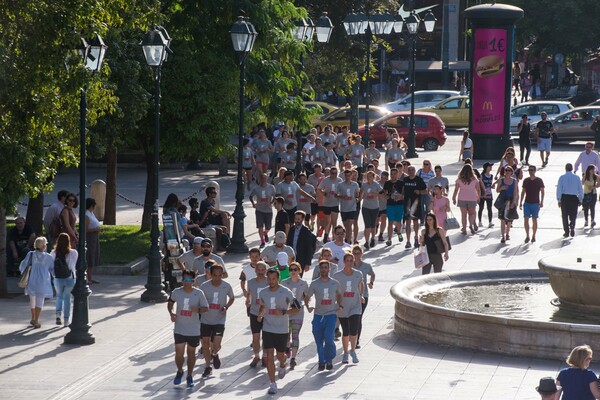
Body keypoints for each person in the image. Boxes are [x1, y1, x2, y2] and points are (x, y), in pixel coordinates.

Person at [257, 268, 297, 395]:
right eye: (269, 279)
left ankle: (283, 363)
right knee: (269, 355)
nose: (271, 281)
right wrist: (261, 314)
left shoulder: (286, 292)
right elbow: (263, 306)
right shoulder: (263, 292)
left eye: (273, 278)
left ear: (278, 278)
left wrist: (284, 312)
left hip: (282, 329)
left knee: (280, 355)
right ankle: (272, 384)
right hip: (268, 328)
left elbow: (297, 309)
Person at [167, 269, 208, 387]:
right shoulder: (176, 292)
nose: (186, 282)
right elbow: (170, 303)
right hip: (179, 328)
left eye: (189, 280)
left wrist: (198, 310)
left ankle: (190, 375)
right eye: (184, 279)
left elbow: (206, 308)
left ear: (194, 281)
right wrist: (172, 313)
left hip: (194, 329)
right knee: (179, 353)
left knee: (191, 353)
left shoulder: (199, 293)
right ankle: (180, 371)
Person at [305, 260, 342, 371]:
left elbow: (339, 295)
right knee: (319, 340)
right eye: (322, 268)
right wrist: (308, 307)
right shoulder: (315, 283)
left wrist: (339, 305)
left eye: (326, 267)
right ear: (319, 269)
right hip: (318, 315)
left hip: (330, 315)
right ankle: (322, 361)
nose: (324, 270)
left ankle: (329, 359)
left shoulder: (335, 283)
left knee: (329, 339)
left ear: (329, 269)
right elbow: (307, 296)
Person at [199, 263, 234, 377]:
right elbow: (198, 299)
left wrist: (226, 307)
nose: (217, 278)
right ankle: (208, 367)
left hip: (219, 319)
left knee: (216, 344)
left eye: (219, 275)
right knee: (205, 344)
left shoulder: (226, 286)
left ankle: (214, 353)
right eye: (215, 275)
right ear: (210, 274)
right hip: (205, 320)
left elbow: (232, 298)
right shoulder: (204, 286)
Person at [333, 253, 364, 364]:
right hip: (343, 306)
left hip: (355, 305)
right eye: (347, 260)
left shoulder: (358, 274)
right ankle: (345, 352)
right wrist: (336, 303)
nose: (349, 263)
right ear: (344, 261)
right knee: (345, 331)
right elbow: (335, 290)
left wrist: (360, 295)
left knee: (354, 329)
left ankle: (353, 351)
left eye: (351, 260)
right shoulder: (337, 276)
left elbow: (361, 284)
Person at [19, 237, 54, 329]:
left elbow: (23, 265)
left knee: (32, 300)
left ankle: (33, 318)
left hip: (32, 280)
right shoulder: (49, 257)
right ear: (43, 245)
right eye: (45, 244)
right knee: (40, 301)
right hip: (43, 281)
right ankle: (36, 320)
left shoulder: (31, 254)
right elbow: (52, 270)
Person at [281, 261, 309, 370]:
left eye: (295, 269)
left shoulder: (303, 283)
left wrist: (307, 305)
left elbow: (306, 296)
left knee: (295, 335)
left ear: (299, 271)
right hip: (287, 312)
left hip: (298, 312)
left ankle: (293, 358)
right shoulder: (284, 282)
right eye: (291, 270)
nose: (293, 271)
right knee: (286, 335)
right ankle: (287, 347)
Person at [50, 233, 77, 327]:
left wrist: (54, 275)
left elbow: (51, 267)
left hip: (58, 278)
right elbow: (73, 265)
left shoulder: (53, 253)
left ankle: (58, 314)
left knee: (59, 297)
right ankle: (66, 320)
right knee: (67, 299)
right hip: (70, 278)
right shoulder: (73, 253)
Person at [246, 261, 269, 368]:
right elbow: (249, 294)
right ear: (255, 270)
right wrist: (248, 301)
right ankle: (256, 356)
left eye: (262, 270)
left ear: (266, 271)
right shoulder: (251, 282)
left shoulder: (269, 281)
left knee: (265, 336)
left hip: (266, 314)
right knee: (255, 337)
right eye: (258, 270)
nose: (260, 272)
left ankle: (265, 355)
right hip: (254, 312)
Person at [351, 246, 374, 349]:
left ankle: (356, 340)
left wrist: (371, 283)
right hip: (351, 296)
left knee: (358, 317)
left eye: (358, 253)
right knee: (352, 317)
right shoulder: (350, 266)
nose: (357, 255)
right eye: (355, 253)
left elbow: (372, 274)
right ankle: (351, 337)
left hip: (363, 295)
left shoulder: (366, 266)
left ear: (361, 253)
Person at [249, 173, 276, 248]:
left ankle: (265, 232)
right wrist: (253, 203)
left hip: (268, 210)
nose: (264, 180)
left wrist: (271, 203)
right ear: (259, 179)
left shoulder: (271, 187)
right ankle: (262, 241)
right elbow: (250, 196)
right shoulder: (256, 188)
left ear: (267, 179)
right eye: (262, 178)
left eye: (265, 178)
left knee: (269, 226)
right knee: (260, 226)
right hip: (259, 210)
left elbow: (275, 197)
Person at [403, 165, 427, 248]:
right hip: (407, 204)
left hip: (416, 204)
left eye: (412, 170)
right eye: (409, 170)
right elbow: (401, 190)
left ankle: (416, 237)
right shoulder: (405, 180)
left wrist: (419, 192)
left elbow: (426, 190)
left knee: (415, 222)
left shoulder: (419, 180)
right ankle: (408, 241)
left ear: (414, 171)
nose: (410, 171)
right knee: (408, 223)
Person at [557, 163, 584, 238]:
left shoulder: (562, 178)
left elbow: (559, 189)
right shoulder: (577, 178)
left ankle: (566, 231)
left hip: (565, 198)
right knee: (573, 214)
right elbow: (580, 189)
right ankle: (572, 224)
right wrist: (580, 199)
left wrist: (559, 200)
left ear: (565, 168)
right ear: (572, 169)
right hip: (574, 198)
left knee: (565, 215)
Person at [286, 211, 316, 276]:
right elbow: (288, 243)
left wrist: (308, 263)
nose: (296, 221)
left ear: (302, 219)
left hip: (301, 259)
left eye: (298, 219)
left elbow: (309, 248)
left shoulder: (306, 231)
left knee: (298, 277)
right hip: (291, 258)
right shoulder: (292, 229)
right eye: (295, 219)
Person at [519, 165, 545, 243]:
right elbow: (523, 191)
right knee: (526, 219)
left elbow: (542, 191)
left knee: (534, 220)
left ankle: (534, 235)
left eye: (532, 170)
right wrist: (520, 202)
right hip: (527, 202)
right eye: (529, 170)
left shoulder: (539, 180)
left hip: (535, 203)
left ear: (535, 171)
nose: (530, 171)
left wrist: (542, 202)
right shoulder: (526, 180)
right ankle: (527, 235)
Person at [452, 164, 480, 235]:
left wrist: (454, 198)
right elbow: (478, 189)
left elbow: (456, 189)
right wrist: (478, 197)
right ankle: (471, 225)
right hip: (472, 198)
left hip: (462, 198)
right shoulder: (474, 179)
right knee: (471, 214)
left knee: (463, 215)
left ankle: (464, 229)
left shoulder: (459, 179)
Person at [317, 166, 343, 243]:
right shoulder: (326, 180)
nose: (334, 175)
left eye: (335, 173)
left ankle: (334, 237)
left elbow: (342, 191)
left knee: (334, 221)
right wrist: (324, 194)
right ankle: (326, 234)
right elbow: (318, 189)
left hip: (335, 203)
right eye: (332, 173)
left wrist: (338, 195)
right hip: (327, 204)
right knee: (327, 221)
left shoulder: (339, 180)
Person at [360, 171, 383, 250]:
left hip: (375, 207)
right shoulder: (364, 185)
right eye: (367, 176)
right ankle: (366, 242)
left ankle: (373, 238)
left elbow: (382, 194)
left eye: (370, 176)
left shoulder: (376, 185)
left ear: (373, 177)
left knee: (373, 224)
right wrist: (360, 198)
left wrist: (374, 195)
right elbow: (361, 193)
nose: (368, 178)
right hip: (366, 207)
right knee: (367, 224)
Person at [336, 169, 360, 244]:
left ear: (351, 175)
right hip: (343, 208)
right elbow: (335, 195)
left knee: (349, 227)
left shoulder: (355, 184)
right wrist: (342, 197)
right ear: (344, 176)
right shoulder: (340, 185)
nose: (348, 177)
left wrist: (357, 198)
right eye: (346, 175)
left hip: (352, 208)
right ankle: (347, 238)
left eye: (349, 175)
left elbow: (357, 193)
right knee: (346, 227)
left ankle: (348, 242)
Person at [497, 166, 519, 243]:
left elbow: (515, 193)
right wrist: (501, 188)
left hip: (510, 200)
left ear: (511, 172)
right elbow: (497, 190)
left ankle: (507, 234)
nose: (507, 172)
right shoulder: (501, 180)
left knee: (509, 219)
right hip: (503, 200)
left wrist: (513, 202)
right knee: (502, 219)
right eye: (506, 170)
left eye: (509, 170)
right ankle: (503, 236)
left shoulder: (514, 181)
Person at [383, 168, 405, 246]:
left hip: (399, 205)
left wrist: (401, 196)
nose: (393, 175)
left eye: (394, 174)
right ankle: (389, 239)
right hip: (390, 205)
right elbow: (384, 193)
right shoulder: (387, 183)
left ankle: (399, 232)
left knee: (398, 221)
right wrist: (386, 196)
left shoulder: (401, 183)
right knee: (390, 222)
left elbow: (404, 194)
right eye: (391, 174)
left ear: (397, 174)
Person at [85, 198, 101, 284]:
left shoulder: (91, 213)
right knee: (89, 256)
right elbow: (85, 229)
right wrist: (95, 229)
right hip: (89, 237)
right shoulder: (86, 214)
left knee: (93, 256)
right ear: (92, 205)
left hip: (95, 237)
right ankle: (86, 278)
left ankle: (90, 277)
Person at [478, 162, 495, 228]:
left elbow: (490, 184)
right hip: (482, 194)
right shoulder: (482, 175)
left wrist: (492, 186)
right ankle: (479, 221)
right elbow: (479, 184)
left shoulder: (491, 176)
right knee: (481, 208)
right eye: (489, 166)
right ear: (486, 167)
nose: (491, 167)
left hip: (489, 194)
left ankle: (490, 222)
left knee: (489, 208)